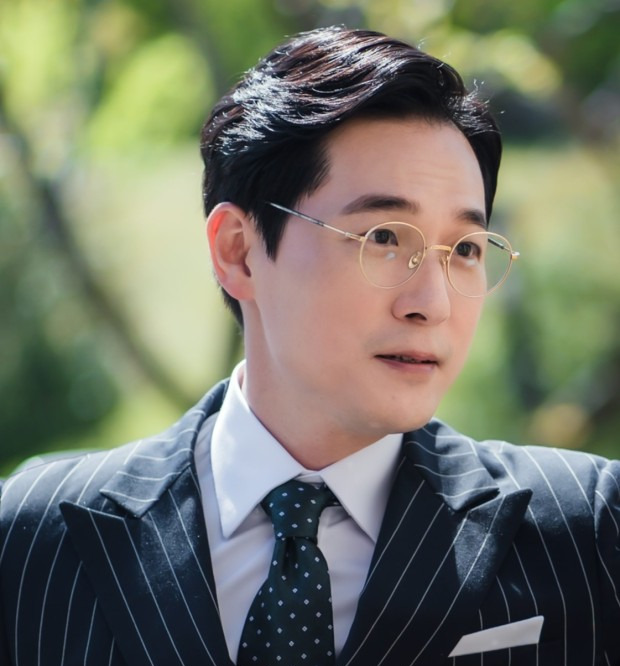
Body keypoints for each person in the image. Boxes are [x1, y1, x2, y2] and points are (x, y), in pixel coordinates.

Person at [0, 25, 618, 666]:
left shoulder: (588, 530)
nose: (432, 303)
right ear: (238, 252)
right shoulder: (32, 538)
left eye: (464, 249)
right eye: (384, 237)